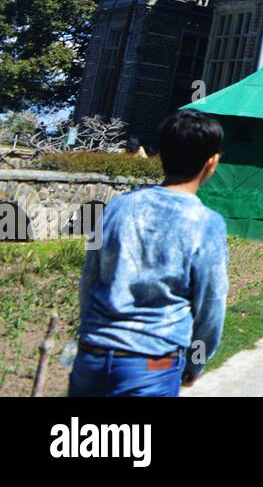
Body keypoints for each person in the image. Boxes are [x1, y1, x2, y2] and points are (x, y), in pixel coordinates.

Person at [70, 110, 228, 397]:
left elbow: (89, 279)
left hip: (92, 354)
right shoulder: (207, 225)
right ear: (211, 163)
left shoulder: (115, 209)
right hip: (152, 362)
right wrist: (196, 361)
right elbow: (211, 306)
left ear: (161, 154)